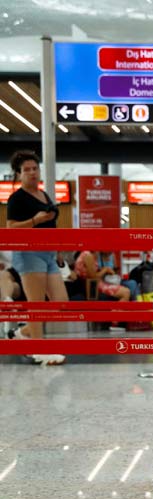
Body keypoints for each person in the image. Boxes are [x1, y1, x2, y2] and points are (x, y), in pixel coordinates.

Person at [5, 150, 67, 365]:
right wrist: (34, 220)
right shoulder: (16, 198)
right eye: (26, 170)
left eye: (35, 168)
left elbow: (52, 224)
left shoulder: (44, 195)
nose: (32, 173)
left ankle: (23, 333)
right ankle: (38, 349)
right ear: (19, 174)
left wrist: (58, 249)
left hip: (49, 253)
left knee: (60, 303)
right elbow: (10, 228)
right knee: (37, 304)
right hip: (29, 253)